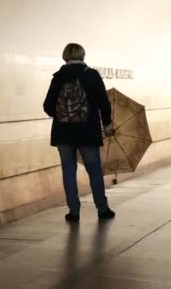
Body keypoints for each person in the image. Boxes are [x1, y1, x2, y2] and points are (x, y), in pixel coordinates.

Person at [43, 43, 116, 222]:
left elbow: (47, 106)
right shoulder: (91, 75)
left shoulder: (58, 77)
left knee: (68, 171)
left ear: (65, 56)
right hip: (88, 132)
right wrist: (106, 125)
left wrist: (63, 116)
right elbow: (104, 103)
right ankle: (102, 208)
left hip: (63, 134)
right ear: (82, 55)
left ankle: (74, 212)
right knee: (94, 170)